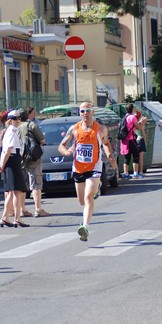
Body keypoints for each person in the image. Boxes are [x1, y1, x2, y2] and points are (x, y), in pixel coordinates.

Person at [58, 101, 110, 241]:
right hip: (79, 168)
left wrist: (109, 155)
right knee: (82, 201)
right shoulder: (74, 129)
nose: (85, 113)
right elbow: (61, 145)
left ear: (92, 112)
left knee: (88, 197)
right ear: (79, 113)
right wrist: (66, 151)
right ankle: (96, 188)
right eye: (82, 111)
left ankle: (85, 227)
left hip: (94, 167)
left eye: (87, 110)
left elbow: (106, 142)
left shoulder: (100, 129)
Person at [0, 109, 29, 228]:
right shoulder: (11, 131)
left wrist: (2, 164)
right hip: (12, 160)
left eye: (19, 118)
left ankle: (5, 217)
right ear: (10, 120)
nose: (17, 121)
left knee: (11, 192)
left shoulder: (13, 131)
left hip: (11, 160)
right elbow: (8, 150)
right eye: (15, 119)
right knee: (17, 191)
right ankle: (17, 219)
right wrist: (1, 165)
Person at [19, 106, 49, 218]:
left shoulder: (15, 127)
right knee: (36, 184)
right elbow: (42, 140)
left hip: (19, 159)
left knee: (22, 185)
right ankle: (38, 209)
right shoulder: (31, 125)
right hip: (32, 158)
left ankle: (22, 210)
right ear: (27, 115)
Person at [120, 103, 147, 180]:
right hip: (131, 139)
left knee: (127, 157)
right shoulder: (132, 117)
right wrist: (142, 122)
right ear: (132, 109)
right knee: (136, 155)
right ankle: (135, 173)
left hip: (124, 140)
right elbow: (138, 127)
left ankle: (126, 173)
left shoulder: (124, 117)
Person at [135, 110, 147, 176]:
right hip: (141, 140)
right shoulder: (141, 125)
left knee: (136, 157)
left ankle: (135, 171)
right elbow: (143, 134)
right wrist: (145, 142)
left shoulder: (135, 123)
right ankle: (141, 171)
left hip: (135, 140)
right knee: (141, 158)